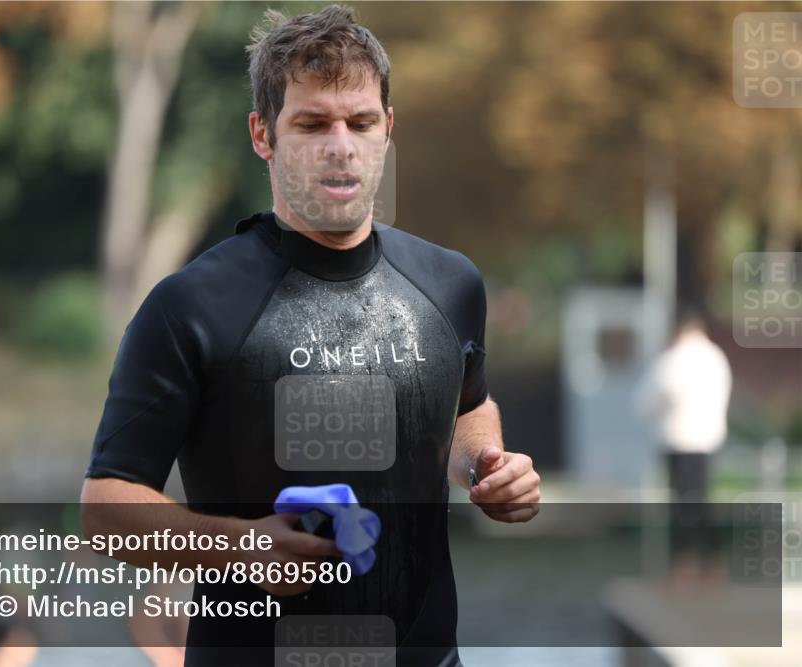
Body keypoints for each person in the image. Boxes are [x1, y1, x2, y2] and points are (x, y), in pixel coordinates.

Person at [81, 5, 541, 666]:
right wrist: (241, 546)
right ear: (262, 134)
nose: (341, 144)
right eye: (312, 123)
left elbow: (467, 406)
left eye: (360, 122)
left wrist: (489, 466)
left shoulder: (451, 284)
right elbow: (104, 508)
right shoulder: (190, 306)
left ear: (388, 130)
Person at [637, 312, 733, 587]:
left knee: (684, 507)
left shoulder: (677, 358)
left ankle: (686, 567)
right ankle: (712, 566)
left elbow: (650, 399)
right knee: (701, 503)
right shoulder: (716, 357)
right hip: (708, 441)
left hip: (680, 441)